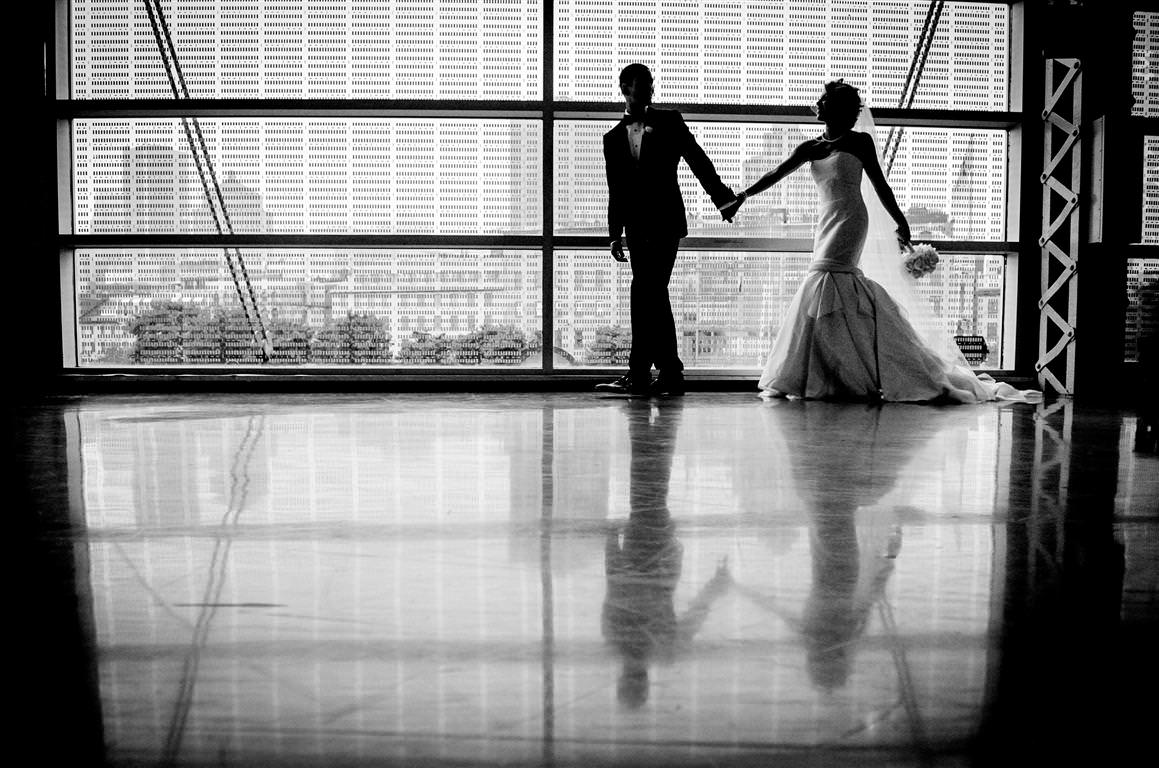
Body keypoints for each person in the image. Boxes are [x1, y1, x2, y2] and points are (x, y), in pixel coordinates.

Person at [720, 80, 1038, 403]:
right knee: (825, 283)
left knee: (829, 280)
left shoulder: (860, 142)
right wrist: (742, 196)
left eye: (825, 99)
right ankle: (828, 371)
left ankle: (845, 371)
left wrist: (900, 221)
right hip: (825, 222)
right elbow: (776, 172)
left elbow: (881, 186)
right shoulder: (810, 148)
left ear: (839, 109)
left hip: (850, 221)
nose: (818, 102)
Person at [596, 63, 737, 397]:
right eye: (642, 85)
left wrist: (722, 198)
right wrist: (615, 232)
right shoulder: (613, 138)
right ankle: (662, 374)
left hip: (666, 223)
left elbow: (697, 159)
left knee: (647, 292)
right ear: (624, 89)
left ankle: (649, 374)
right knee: (649, 294)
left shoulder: (670, 121)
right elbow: (615, 188)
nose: (649, 90)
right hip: (636, 228)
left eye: (651, 85)